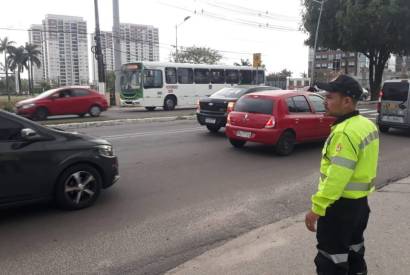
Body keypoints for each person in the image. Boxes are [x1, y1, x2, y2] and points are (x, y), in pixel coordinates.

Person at [305, 74, 379, 275]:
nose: (325, 101)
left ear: (347, 101)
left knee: (331, 260)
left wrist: (317, 208)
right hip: (360, 206)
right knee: (355, 252)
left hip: (339, 209)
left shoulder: (343, 133)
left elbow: (337, 178)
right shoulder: (366, 124)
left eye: (330, 97)